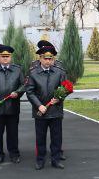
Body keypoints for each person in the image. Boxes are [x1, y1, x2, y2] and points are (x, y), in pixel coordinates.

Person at [26, 41, 68, 169]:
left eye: (51, 58)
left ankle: (55, 160)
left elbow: (65, 89)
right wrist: (39, 105)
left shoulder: (59, 72)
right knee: (40, 138)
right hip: (41, 111)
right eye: (46, 58)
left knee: (56, 138)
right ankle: (40, 160)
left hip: (55, 111)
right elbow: (30, 92)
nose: (48, 61)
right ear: (40, 58)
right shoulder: (33, 73)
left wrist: (60, 98)